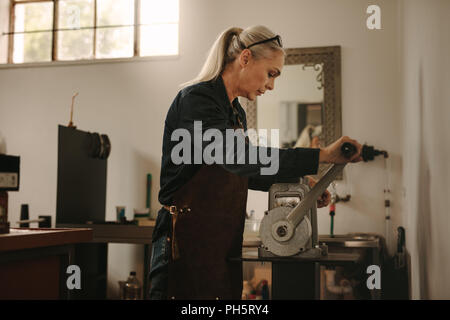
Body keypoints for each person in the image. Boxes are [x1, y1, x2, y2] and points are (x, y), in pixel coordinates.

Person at [148, 25, 362, 300]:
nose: (271, 85)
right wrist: (321, 156)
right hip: (184, 240)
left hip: (221, 241)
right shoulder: (196, 101)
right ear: (245, 58)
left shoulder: (235, 113)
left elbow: (243, 173)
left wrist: (301, 184)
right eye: (271, 73)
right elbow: (238, 158)